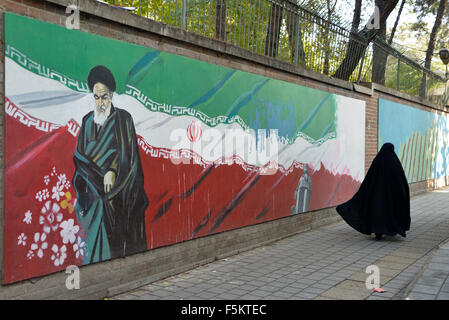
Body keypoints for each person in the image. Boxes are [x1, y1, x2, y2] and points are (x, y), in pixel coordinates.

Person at [72, 65, 149, 263]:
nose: (100, 103)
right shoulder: (87, 121)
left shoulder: (123, 119)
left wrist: (112, 169)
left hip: (117, 194)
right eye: (96, 97)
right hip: (90, 194)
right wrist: (90, 180)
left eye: (104, 97)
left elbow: (129, 157)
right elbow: (79, 158)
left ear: (112, 95)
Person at [336, 143, 410, 239]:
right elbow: (401, 180)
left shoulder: (377, 161)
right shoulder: (394, 161)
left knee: (377, 211)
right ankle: (391, 229)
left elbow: (369, 178)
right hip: (390, 196)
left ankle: (378, 231)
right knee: (390, 212)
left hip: (377, 194)